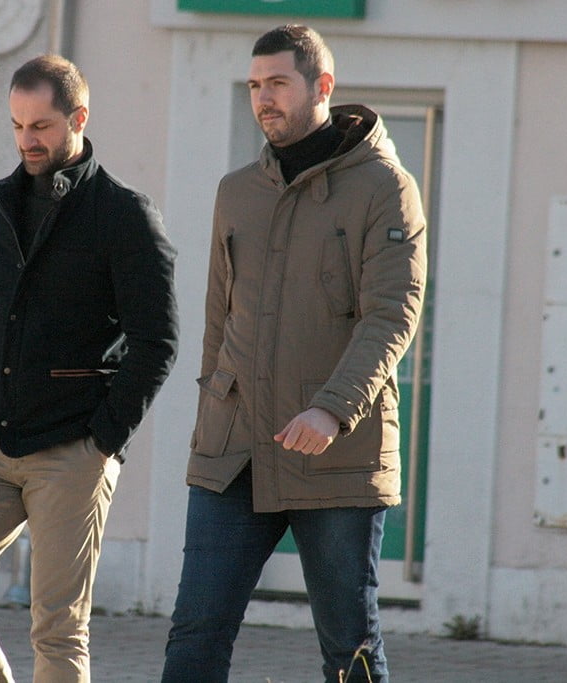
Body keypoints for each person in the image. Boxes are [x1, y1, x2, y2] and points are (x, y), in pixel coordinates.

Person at [161, 25, 427, 683]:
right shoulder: (236, 192)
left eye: (277, 83)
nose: (263, 98)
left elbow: (392, 315)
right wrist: (211, 419)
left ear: (322, 87)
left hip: (337, 452)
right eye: (255, 85)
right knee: (194, 635)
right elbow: (218, 320)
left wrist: (332, 409)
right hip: (235, 452)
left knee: (349, 646)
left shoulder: (385, 187)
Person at [0, 54, 179, 683]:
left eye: (42, 126)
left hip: (72, 449)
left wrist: (104, 441)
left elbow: (157, 341)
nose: (28, 140)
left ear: (78, 118)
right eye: (17, 125)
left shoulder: (125, 214)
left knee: (58, 631)